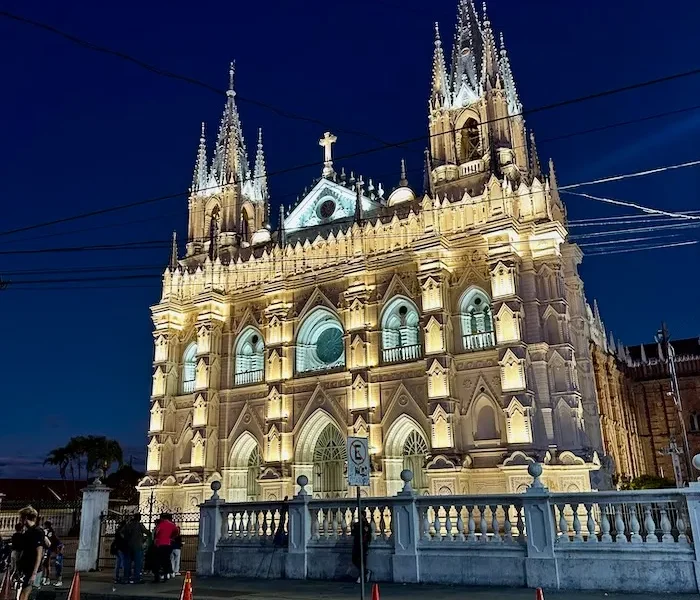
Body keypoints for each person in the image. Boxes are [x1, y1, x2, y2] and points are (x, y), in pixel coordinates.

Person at [14, 506, 46, 600]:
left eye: (21, 518)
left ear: (25, 518)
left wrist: (34, 574)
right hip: (25, 568)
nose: (20, 520)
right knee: (22, 595)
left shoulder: (37, 532)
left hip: (31, 569)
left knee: (24, 595)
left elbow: (39, 553)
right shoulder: (28, 532)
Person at [123, 513, 149, 584]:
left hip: (128, 546)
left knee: (128, 563)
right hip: (137, 546)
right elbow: (147, 532)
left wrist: (127, 539)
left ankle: (126, 578)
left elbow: (121, 533)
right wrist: (144, 538)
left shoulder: (128, 525)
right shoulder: (139, 525)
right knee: (138, 563)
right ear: (139, 518)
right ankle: (137, 578)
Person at [152, 513, 177, 583]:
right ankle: (166, 575)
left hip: (159, 544)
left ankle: (157, 577)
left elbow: (156, 533)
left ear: (162, 518)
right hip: (168, 544)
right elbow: (176, 531)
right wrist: (171, 537)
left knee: (157, 561)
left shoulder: (160, 524)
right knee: (166, 560)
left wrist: (155, 540)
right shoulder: (172, 525)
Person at [351, 514, 372, 584]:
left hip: (363, 544)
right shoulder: (357, 524)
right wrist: (352, 527)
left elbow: (368, 535)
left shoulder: (366, 525)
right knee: (355, 559)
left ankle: (362, 576)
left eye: (362, 516)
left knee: (362, 561)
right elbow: (353, 533)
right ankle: (365, 572)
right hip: (357, 544)